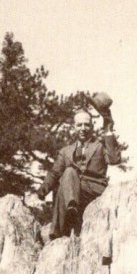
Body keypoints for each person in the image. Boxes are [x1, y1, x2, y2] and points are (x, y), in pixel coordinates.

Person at [37, 102, 121, 239]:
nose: (83, 128)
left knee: (68, 175)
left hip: (94, 191)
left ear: (92, 126)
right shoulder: (66, 151)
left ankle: (57, 231)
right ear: (74, 127)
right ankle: (69, 213)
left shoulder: (100, 146)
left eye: (86, 125)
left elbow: (114, 160)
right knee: (67, 174)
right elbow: (55, 172)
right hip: (74, 192)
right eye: (79, 125)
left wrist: (109, 130)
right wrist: (44, 188)